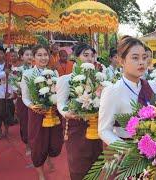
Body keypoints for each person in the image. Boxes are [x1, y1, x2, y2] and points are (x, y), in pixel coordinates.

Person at [99, 36, 156, 145]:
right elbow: (104, 130)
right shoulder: (112, 92)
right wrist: (126, 150)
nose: (142, 62)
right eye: (135, 58)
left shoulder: (153, 86)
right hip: (128, 153)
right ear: (122, 61)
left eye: (144, 57)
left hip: (154, 149)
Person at [57, 43, 103, 180]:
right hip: (75, 128)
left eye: (92, 56)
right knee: (78, 164)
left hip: (94, 127)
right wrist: (66, 113)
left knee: (95, 162)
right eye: (85, 55)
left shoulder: (98, 79)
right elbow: (61, 104)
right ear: (76, 57)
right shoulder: (65, 80)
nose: (90, 59)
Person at [21, 45, 63, 180]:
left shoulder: (54, 73)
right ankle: (40, 173)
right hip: (37, 114)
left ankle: (49, 157)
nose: (43, 57)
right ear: (33, 57)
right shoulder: (27, 74)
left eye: (45, 54)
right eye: (39, 55)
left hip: (53, 113)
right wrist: (32, 106)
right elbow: (25, 97)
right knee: (38, 144)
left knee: (54, 141)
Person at [16, 47, 33, 156]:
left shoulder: (37, 69)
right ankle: (27, 145)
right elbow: (14, 84)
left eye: (31, 54)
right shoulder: (18, 70)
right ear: (22, 57)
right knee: (25, 122)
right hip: (22, 99)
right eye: (27, 54)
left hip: (35, 100)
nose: (29, 57)